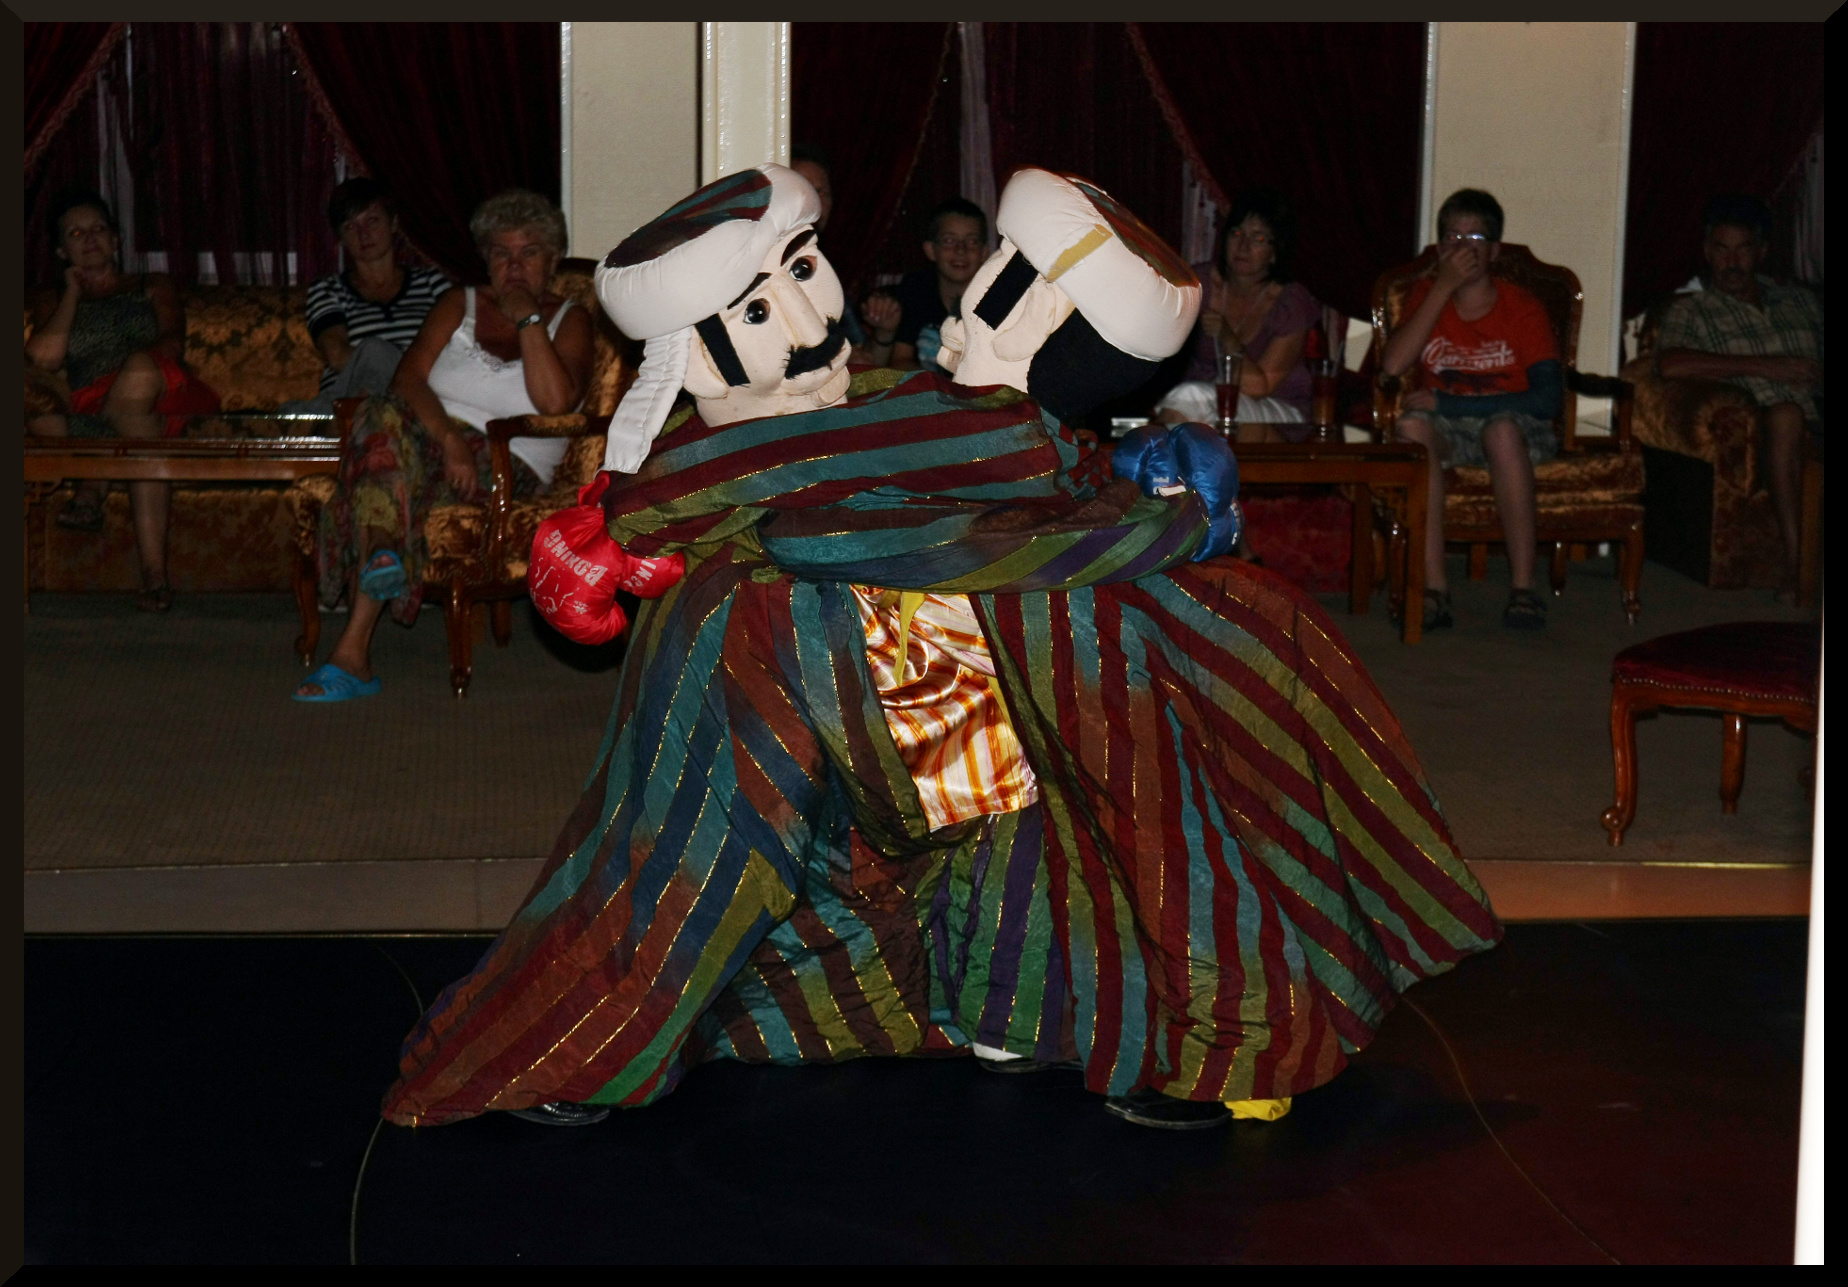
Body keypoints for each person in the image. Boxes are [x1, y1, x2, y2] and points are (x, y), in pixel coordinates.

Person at [379, 165, 1500, 1133]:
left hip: (996, 670)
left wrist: (627, 525)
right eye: (762, 302)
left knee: (1087, 819)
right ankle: (599, 1026)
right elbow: (803, 481)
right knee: (731, 830)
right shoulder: (884, 422)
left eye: (803, 271)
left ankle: (1099, 1016)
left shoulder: (944, 417)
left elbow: (906, 467)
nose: (807, 316)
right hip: (861, 674)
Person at [292, 189, 594, 701]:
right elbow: (408, 379)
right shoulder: (461, 302)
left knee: (386, 480)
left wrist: (528, 320)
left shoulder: (572, 320)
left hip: (506, 459)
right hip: (433, 439)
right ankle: (378, 563)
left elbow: (554, 403)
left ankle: (357, 638)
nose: (513, 266)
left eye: (528, 253)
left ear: (553, 260)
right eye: (500, 253)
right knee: (380, 413)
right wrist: (450, 440)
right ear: (485, 258)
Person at [25, 189, 221, 612]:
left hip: (161, 390)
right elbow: (43, 358)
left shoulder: (151, 284)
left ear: (116, 240)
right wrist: (72, 293)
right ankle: (155, 577)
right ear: (61, 251)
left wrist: (130, 377)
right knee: (135, 433)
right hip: (102, 412)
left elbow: (173, 342)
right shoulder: (51, 298)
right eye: (76, 233)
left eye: (98, 229)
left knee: (138, 370)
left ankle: (94, 484)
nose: (90, 239)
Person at [1381, 188, 1562, 631]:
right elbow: (1392, 365)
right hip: (1449, 426)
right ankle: (1435, 589)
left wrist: (1451, 402)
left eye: (1475, 239)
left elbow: (1547, 399)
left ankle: (1523, 588)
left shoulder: (1522, 307)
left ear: (1494, 250)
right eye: (1452, 238)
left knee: (1500, 431)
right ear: (1440, 247)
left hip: (1516, 424)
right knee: (1411, 428)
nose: (1463, 249)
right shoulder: (1428, 294)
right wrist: (1442, 288)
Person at [1655, 194, 1823, 589]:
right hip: (1766, 425)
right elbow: (1670, 364)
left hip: (1818, 409)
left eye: (1743, 250)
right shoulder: (1692, 309)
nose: (1731, 261)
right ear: (1707, 252)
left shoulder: (1800, 301)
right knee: (1786, 415)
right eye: (1721, 249)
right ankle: (1797, 564)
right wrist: (1763, 366)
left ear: (1761, 252)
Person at [1152, 189, 1321, 439]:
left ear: (1275, 252)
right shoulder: (1197, 285)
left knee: (1190, 399)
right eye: (1237, 233)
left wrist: (1227, 337)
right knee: (1193, 408)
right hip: (1203, 406)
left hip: (1279, 411)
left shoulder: (1291, 301)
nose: (1243, 246)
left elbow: (1260, 386)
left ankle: (1156, 459)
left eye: (1258, 238)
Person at [283, 178, 451, 417]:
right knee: (373, 353)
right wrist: (390, 364)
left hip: (422, 398)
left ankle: (337, 415)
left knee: (376, 352)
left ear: (393, 223)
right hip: (351, 395)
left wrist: (399, 371)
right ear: (341, 238)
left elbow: (456, 350)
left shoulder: (433, 283)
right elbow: (336, 355)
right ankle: (367, 413)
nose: (363, 234)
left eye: (372, 221)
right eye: (351, 227)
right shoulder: (329, 289)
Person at [789, 142, 902, 368]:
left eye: (822, 192)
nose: (815, 201)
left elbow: (865, 364)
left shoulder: (822, 270)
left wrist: (884, 333)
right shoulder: (758, 269)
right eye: (803, 189)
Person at [889, 196, 989, 371]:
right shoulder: (917, 289)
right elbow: (900, 360)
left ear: (984, 252)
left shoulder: (996, 298)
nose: (960, 250)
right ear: (931, 250)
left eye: (972, 241)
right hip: (926, 386)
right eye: (949, 241)